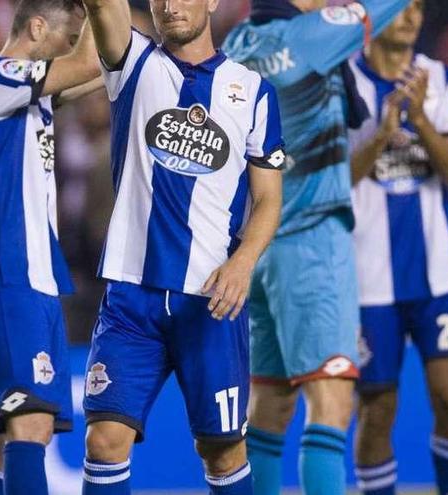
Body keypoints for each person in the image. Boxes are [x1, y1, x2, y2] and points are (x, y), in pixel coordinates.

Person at [78, 0, 285, 493]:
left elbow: (269, 199)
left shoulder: (252, 91)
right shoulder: (132, 62)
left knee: (222, 451)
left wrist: (243, 261)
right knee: (104, 441)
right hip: (132, 298)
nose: (170, 6)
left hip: (211, 301)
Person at [222, 1, 409, 493]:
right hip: (309, 240)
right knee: (331, 404)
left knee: (271, 406)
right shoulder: (309, 34)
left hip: (255, 249)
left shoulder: (237, 42)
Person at [0, 1, 101, 494]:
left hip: (26, 272)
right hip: (4, 267)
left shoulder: (20, 95)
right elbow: (89, 64)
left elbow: (96, 74)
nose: (74, 41)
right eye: (69, 31)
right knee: (27, 426)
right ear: (37, 26)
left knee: (10, 435)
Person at [348, 1, 448, 493]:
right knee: (376, 411)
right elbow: (336, 181)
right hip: (367, 279)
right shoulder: (341, 81)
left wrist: (419, 119)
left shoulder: (443, 81)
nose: (410, 16)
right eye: (398, 6)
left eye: (417, 6)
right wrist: (381, 136)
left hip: (440, 274)